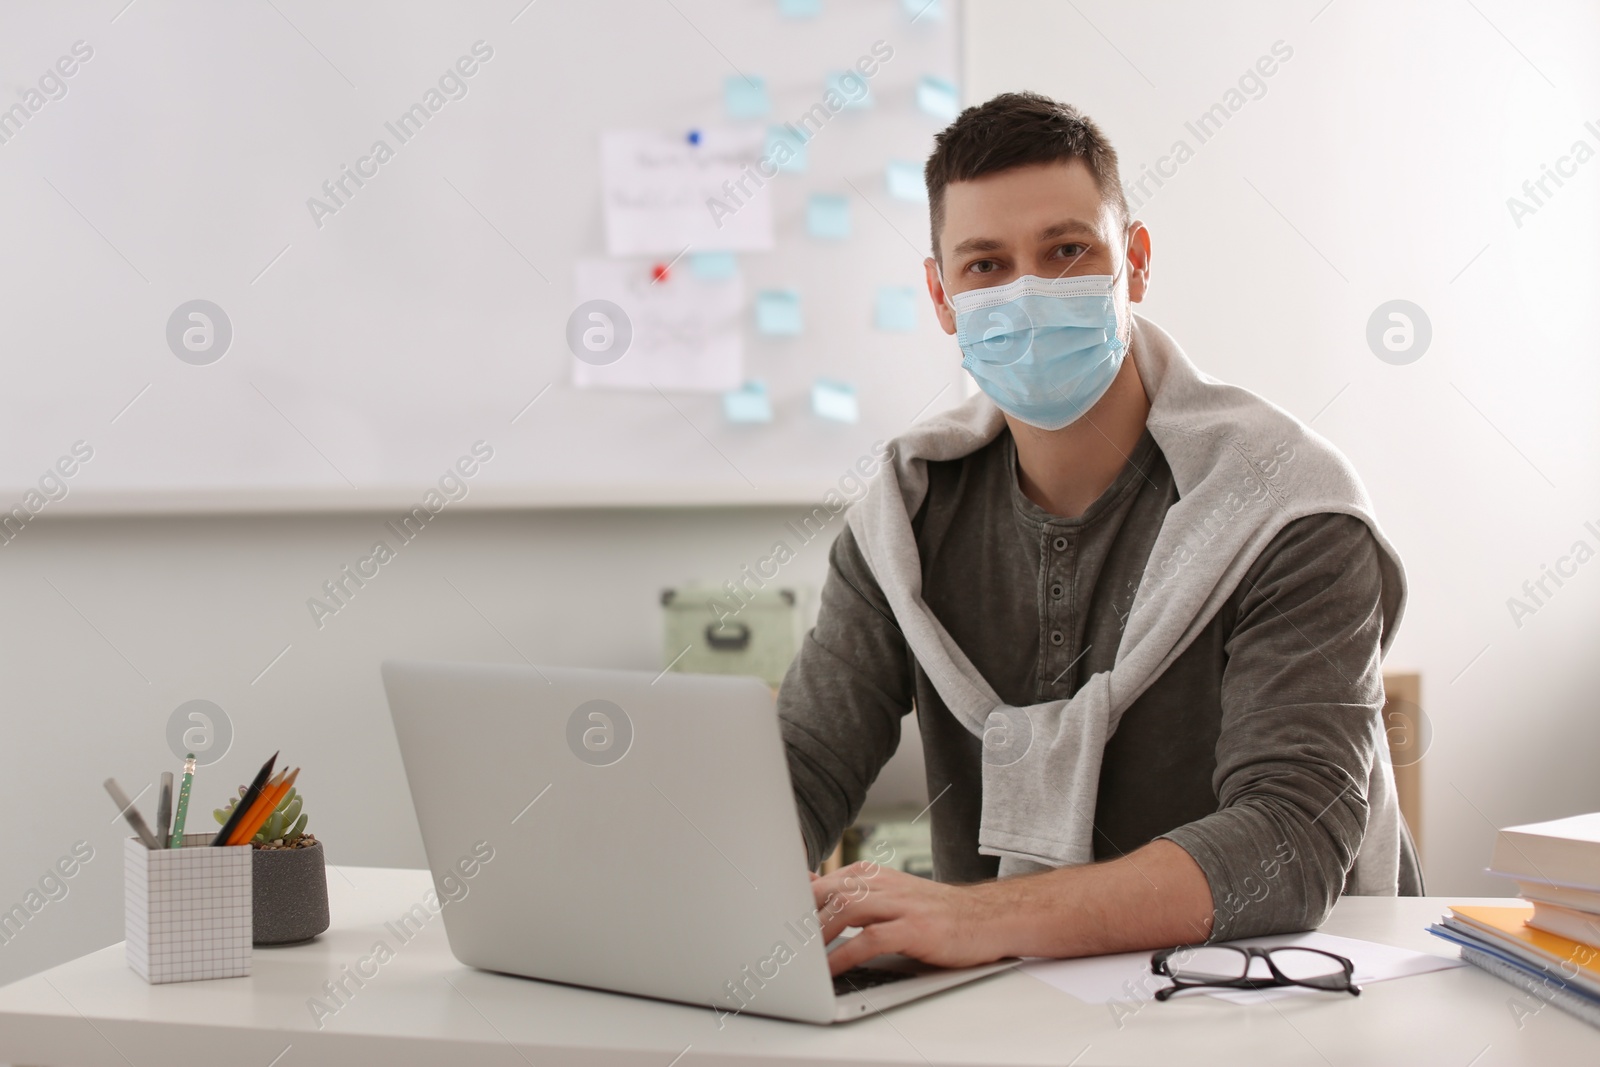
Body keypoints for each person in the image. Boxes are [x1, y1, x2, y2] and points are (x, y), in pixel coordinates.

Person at [780, 91, 1422, 975]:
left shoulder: (1291, 505)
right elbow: (804, 764)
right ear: (940, 295)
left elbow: (1290, 839)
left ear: (1138, 261)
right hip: (1000, 1012)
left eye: (1067, 251)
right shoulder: (904, 515)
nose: (1028, 293)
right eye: (985, 266)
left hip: (1276, 1004)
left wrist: (974, 915)